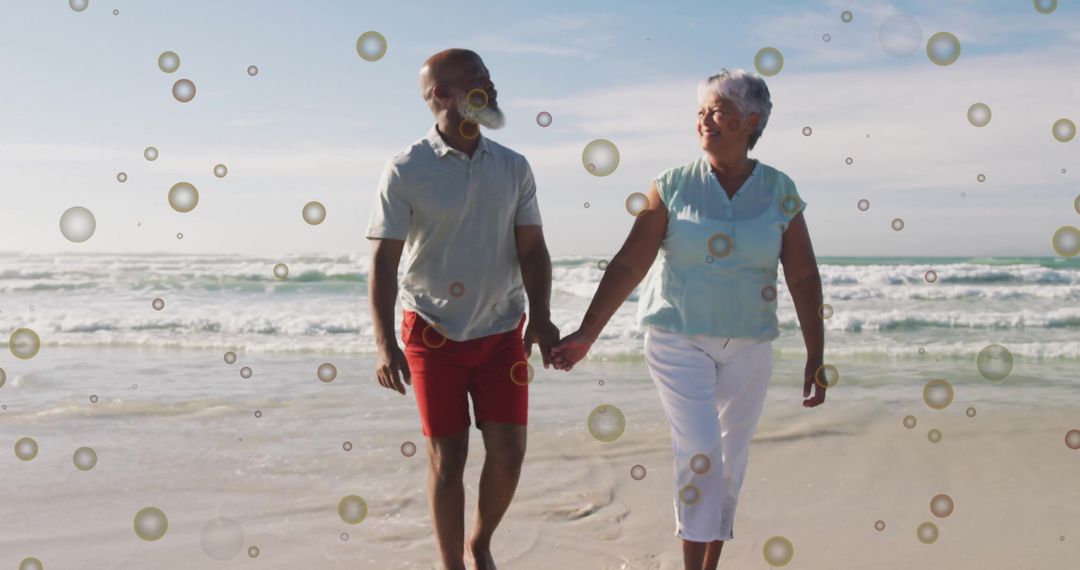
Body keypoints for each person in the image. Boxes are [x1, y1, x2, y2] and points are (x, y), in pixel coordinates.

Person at [549, 68, 826, 570]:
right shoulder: (671, 185)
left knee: (728, 466)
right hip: (677, 339)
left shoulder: (781, 190)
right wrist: (588, 333)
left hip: (750, 344)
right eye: (700, 112)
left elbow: (804, 278)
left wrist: (816, 355)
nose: (705, 120)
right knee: (700, 453)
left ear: (752, 120)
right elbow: (631, 262)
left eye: (718, 110)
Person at [365, 48, 560, 570]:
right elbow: (384, 262)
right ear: (441, 96)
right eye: (476, 79)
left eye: (488, 76)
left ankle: (481, 542)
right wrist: (385, 343)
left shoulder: (514, 166)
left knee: (510, 453)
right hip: (431, 332)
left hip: (501, 329)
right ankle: (452, 563)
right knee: (448, 460)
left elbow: (533, 248)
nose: (489, 85)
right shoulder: (407, 168)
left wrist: (540, 316)